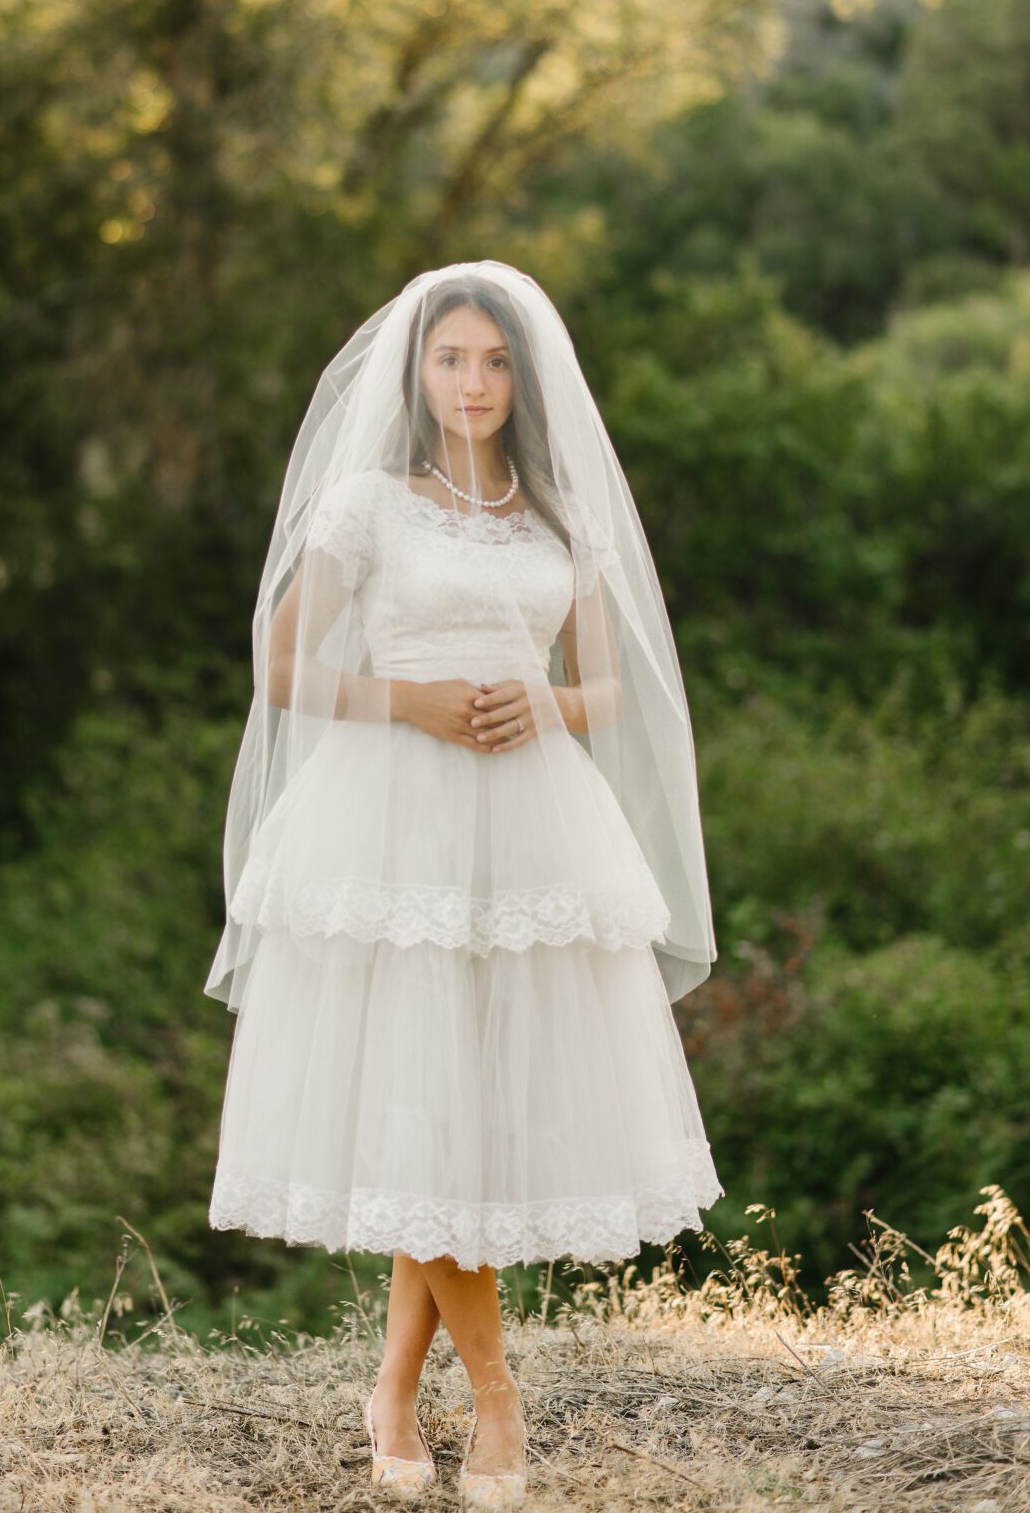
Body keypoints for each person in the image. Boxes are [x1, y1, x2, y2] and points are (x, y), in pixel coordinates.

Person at [203, 260, 723, 1507]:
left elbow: (610, 688)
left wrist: (541, 697)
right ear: (415, 371)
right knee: (421, 1107)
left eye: (494, 362)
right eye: (451, 360)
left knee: (464, 1112)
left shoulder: (559, 519)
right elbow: (278, 667)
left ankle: (388, 1391)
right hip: (393, 820)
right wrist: (410, 700)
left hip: (532, 819)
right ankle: (494, 1398)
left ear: (521, 376)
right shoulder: (369, 507)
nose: (473, 383)